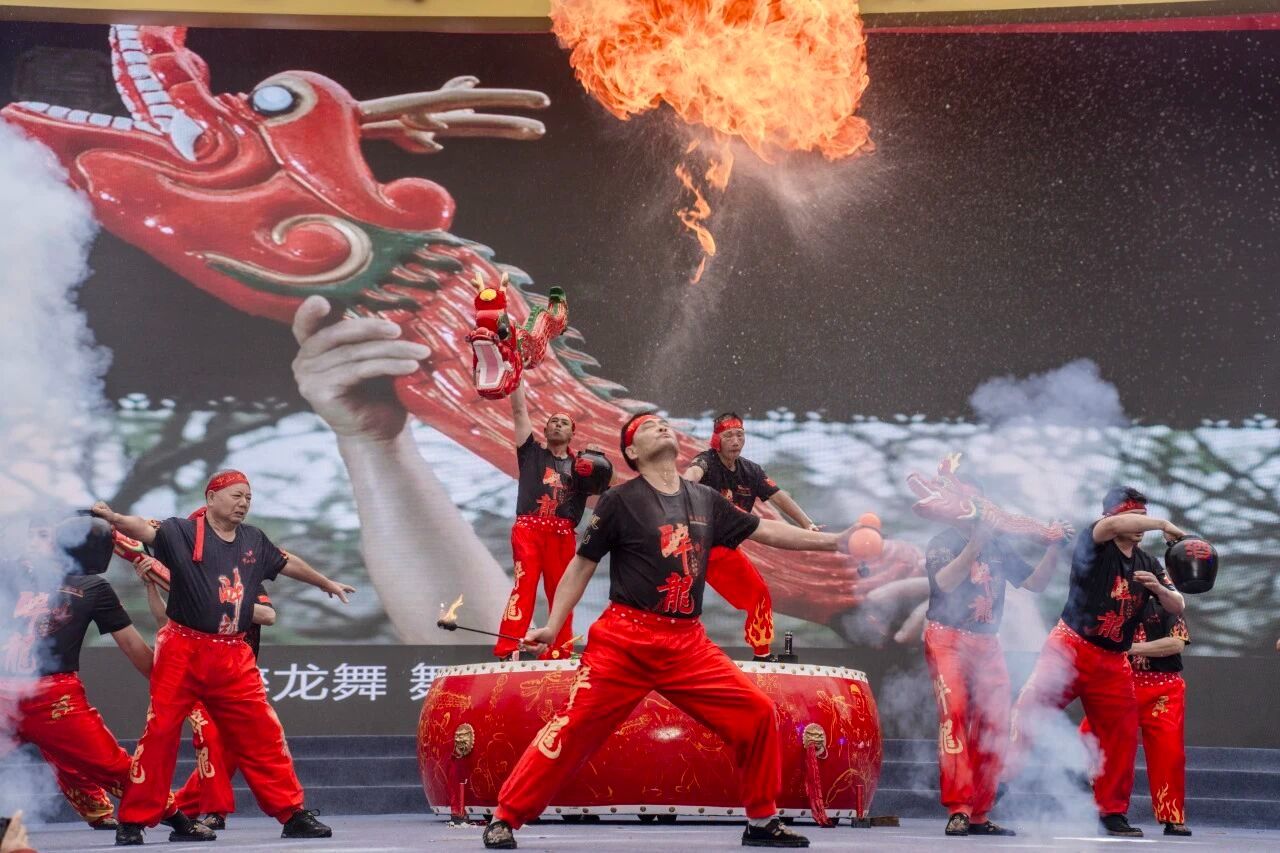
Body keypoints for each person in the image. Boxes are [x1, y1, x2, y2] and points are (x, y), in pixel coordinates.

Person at [482, 412, 868, 850]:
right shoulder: (618, 501)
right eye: (648, 427)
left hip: (687, 644)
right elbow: (582, 564)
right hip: (624, 642)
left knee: (757, 714)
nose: (662, 427)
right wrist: (553, 625)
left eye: (663, 423)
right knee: (572, 730)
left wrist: (836, 541)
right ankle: (505, 816)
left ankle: (762, 820)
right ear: (632, 451)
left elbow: (767, 532)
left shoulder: (705, 499)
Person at [93, 472, 354, 845]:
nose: (244, 503)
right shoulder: (182, 532)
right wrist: (115, 519)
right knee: (160, 734)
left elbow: (285, 561)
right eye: (236, 495)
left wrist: (325, 583)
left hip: (233, 653)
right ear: (211, 497)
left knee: (263, 733)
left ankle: (292, 813)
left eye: (248, 497)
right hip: (183, 649)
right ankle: (133, 820)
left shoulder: (253, 540)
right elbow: (143, 529)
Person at [0, 513, 211, 842]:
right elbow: (133, 647)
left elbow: (132, 646)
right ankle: (177, 820)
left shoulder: (67, 583)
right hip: (40, 699)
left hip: (37, 698)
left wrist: (172, 687)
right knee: (110, 765)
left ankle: (170, 816)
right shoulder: (70, 582)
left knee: (104, 764)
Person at [1006, 486, 1185, 838]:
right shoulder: (1095, 541)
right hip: (1070, 647)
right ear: (1113, 516)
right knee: (1029, 711)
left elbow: (1177, 605)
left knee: (1120, 735)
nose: (1141, 525)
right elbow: (1114, 526)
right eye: (1134, 516)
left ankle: (1112, 812)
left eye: (1144, 517)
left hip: (1113, 659)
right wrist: (1164, 524)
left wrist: (1159, 588)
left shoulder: (1148, 563)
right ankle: (998, 780)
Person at [922, 488, 1072, 838]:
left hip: (987, 642)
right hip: (947, 638)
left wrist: (1054, 547)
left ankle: (979, 812)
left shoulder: (1000, 545)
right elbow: (945, 583)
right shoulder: (942, 542)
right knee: (955, 714)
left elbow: (1035, 584)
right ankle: (958, 808)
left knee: (995, 723)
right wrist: (976, 542)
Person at [134, 561, 278, 831]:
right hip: (196, 679)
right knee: (209, 738)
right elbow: (164, 621)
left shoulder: (248, 581)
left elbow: (268, 616)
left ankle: (181, 804)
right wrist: (152, 585)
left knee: (233, 748)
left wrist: (218, 600)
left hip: (236, 679)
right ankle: (215, 811)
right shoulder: (191, 580)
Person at [683, 413, 820, 661]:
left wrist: (806, 523)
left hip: (722, 549)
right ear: (716, 440)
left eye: (740, 435)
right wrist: (681, 488)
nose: (735, 441)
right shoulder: (705, 461)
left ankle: (762, 654)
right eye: (728, 436)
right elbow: (692, 474)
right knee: (677, 600)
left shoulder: (751, 471)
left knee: (759, 594)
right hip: (692, 546)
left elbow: (779, 497)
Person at [1081, 596, 1193, 836]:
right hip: (1122, 682)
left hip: (1164, 688)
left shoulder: (1167, 603)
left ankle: (1172, 816)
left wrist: (1130, 647)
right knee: (1097, 740)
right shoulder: (1112, 603)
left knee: (1169, 752)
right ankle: (1110, 811)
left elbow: (1176, 643)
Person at [493, 381, 589, 660]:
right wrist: (516, 374)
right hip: (529, 530)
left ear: (572, 434)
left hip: (562, 535)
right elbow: (519, 411)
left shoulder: (582, 467)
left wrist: (598, 463)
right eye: (553, 422)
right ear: (545, 431)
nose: (558, 425)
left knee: (562, 593)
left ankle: (559, 652)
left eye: (564, 423)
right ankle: (508, 647)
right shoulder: (531, 453)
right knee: (524, 587)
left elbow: (610, 483)